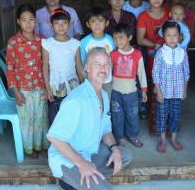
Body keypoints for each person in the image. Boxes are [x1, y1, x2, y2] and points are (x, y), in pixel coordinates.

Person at [47, 47, 132, 190]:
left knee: (124, 155)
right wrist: (81, 163)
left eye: (106, 65)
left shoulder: (103, 95)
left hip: (89, 152)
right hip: (69, 159)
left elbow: (105, 129)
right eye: (98, 64)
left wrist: (115, 149)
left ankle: (86, 179)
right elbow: (55, 137)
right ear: (86, 68)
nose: (103, 69)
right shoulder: (77, 100)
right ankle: (71, 178)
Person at [6, 4, 50, 159]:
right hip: (22, 89)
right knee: (26, 120)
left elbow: (47, 65)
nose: (28, 23)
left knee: (40, 118)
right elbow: (10, 68)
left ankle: (40, 145)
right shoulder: (13, 43)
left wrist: (47, 88)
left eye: (31, 19)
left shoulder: (42, 41)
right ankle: (29, 149)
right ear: (18, 21)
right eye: (24, 20)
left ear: (35, 21)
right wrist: (15, 92)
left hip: (40, 86)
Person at [42, 8, 85, 126]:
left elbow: (79, 66)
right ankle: (56, 142)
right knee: (55, 115)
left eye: (64, 23)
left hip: (73, 84)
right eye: (57, 23)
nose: (61, 26)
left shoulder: (75, 44)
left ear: (70, 25)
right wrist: (47, 88)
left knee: (72, 113)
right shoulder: (47, 43)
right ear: (51, 26)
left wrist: (83, 84)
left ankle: (71, 140)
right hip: (55, 84)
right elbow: (45, 67)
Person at [152, 22, 190, 153]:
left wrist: (184, 90)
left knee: (176, 115)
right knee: (162, 115)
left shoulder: (183, 53)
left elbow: (186, 73)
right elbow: (155, 73)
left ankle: (174, 139)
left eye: (175, 35)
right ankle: (162, 140)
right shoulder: (160, 53)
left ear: (180, 36)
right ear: (164, 36)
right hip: (163, 92)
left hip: (178, 92)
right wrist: (158, 91)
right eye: (168, 35)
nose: (172, 38)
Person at [110, 24, 147, 148]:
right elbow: (108, 72)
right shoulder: (113, 54)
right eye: (115, 38)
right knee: (117, 116)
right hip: (115, 92)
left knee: (132, 115)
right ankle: (119, 137)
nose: (117, 41)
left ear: (130, 37)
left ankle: (132, 135)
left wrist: (144, 90)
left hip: (131, 92)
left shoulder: (137, 54)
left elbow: (141, 73)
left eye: (120, 37)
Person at [80, 6, 115, 97]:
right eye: (93, 21)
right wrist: (84, 79)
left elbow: (114, 60)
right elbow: (83, 63)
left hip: (107, 80)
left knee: (106, 102)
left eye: (100, 21)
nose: (97, 25)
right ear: (88, 24)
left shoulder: (110, 40)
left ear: (106, 23)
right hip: (91, 81)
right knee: (93, 103)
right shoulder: (84, 42)